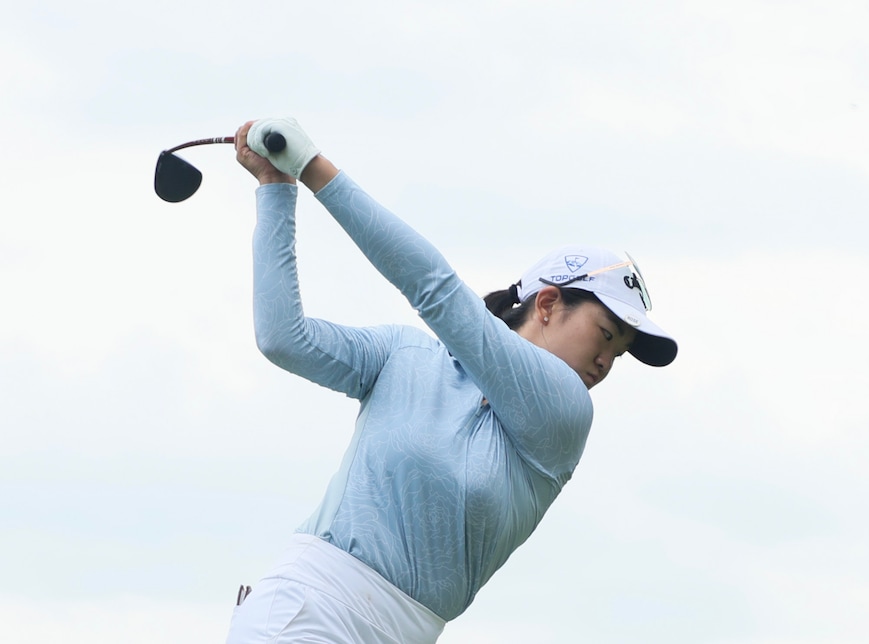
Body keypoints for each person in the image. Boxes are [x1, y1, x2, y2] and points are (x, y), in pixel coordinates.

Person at [226, 118, 678, 643]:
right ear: (549, 304)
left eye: (618, 354)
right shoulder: (406, 353)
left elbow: (439, 295)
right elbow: (285, 338)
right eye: (604, 336)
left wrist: (310, 166)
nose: (605, 363)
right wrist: (279, 189)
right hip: (309, 608)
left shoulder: (566, 413)